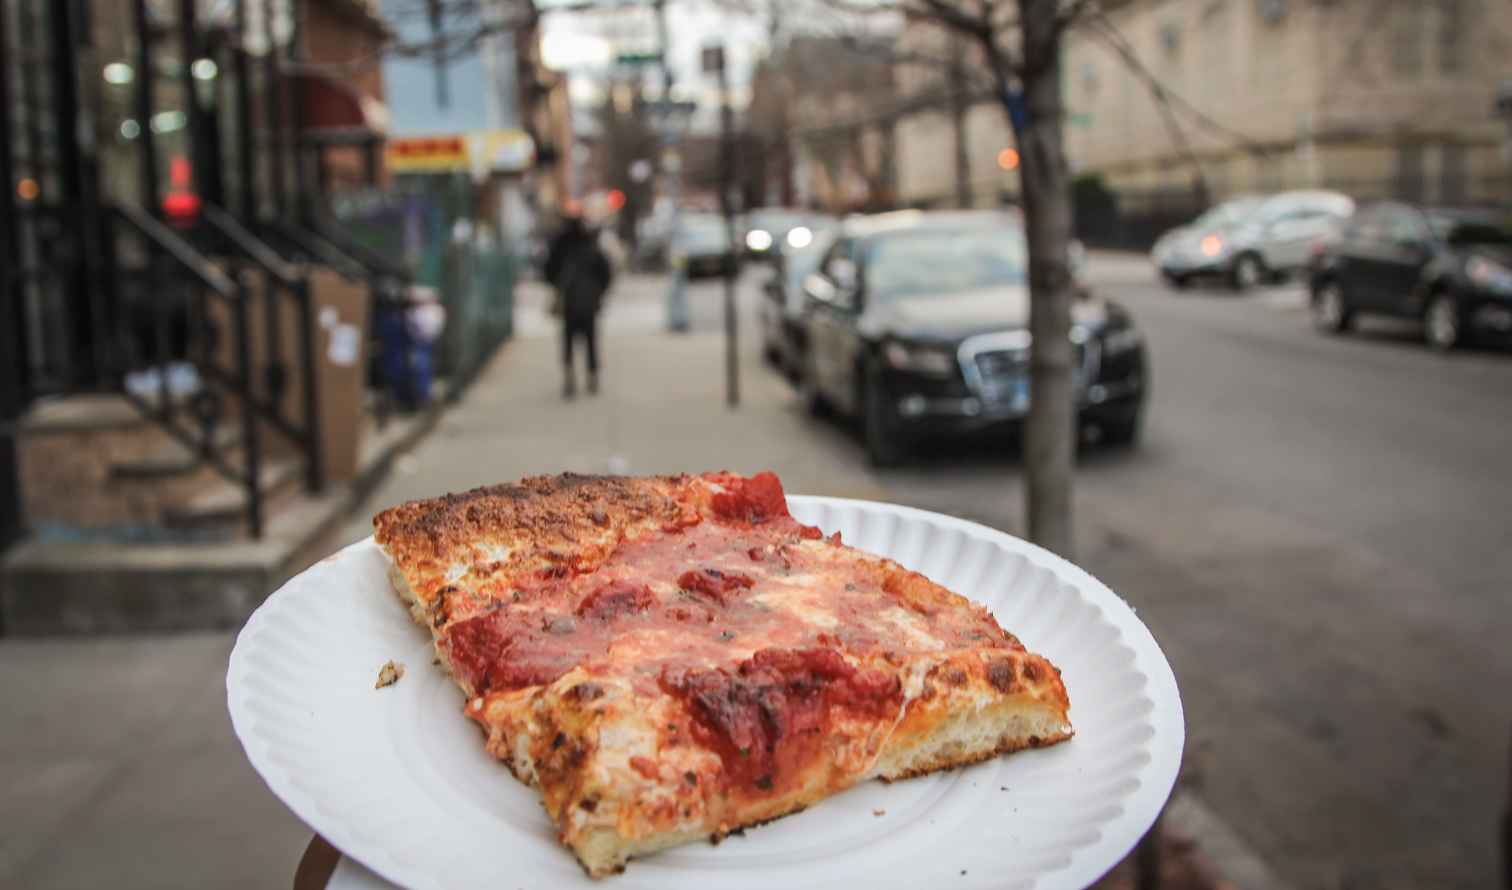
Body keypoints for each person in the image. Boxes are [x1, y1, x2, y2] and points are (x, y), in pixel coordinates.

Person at [544, 213, 613, 398]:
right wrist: (598, 292)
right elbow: (606, 272)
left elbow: (548, 271)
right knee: (590, 340)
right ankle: (592, 375)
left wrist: (558, 286)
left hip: (569, 302)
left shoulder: (560, 247)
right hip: (589, 302)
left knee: (568, 341)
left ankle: (569, 376)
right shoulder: (591, 246)